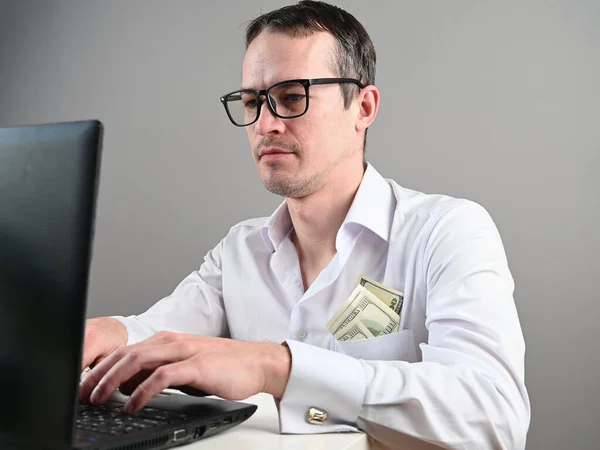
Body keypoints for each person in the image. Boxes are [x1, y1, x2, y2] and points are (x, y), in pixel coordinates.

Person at [79, 1, 531, 448]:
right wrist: (108, 333)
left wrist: (276, 367)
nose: (266, 124)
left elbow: (494, 418)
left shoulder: (447, 232)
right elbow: (160, 335)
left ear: (364, 108)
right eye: (253, 101)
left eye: (292, 97)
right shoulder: (240, 251)